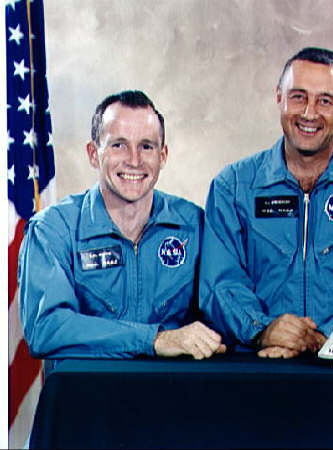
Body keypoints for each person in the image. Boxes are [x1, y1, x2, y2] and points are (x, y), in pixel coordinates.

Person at [199, 47, 333, 358]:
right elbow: (220, 283)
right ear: (279, 98)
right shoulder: (232, 187)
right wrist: (264, 330)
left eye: (325, 101)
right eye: (298, 97)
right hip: (258, 363)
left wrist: (326, 339)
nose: (310, 113)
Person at [19, 90, 226, 365]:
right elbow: (46, 328)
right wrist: (154, 339)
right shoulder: (53, 230)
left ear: (163, 156)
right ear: (94, 154)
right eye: (118, 145)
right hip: (90, 390)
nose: (134, 160)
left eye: (146, 146)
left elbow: (226, 308)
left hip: (175, 389)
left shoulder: (194, 226)